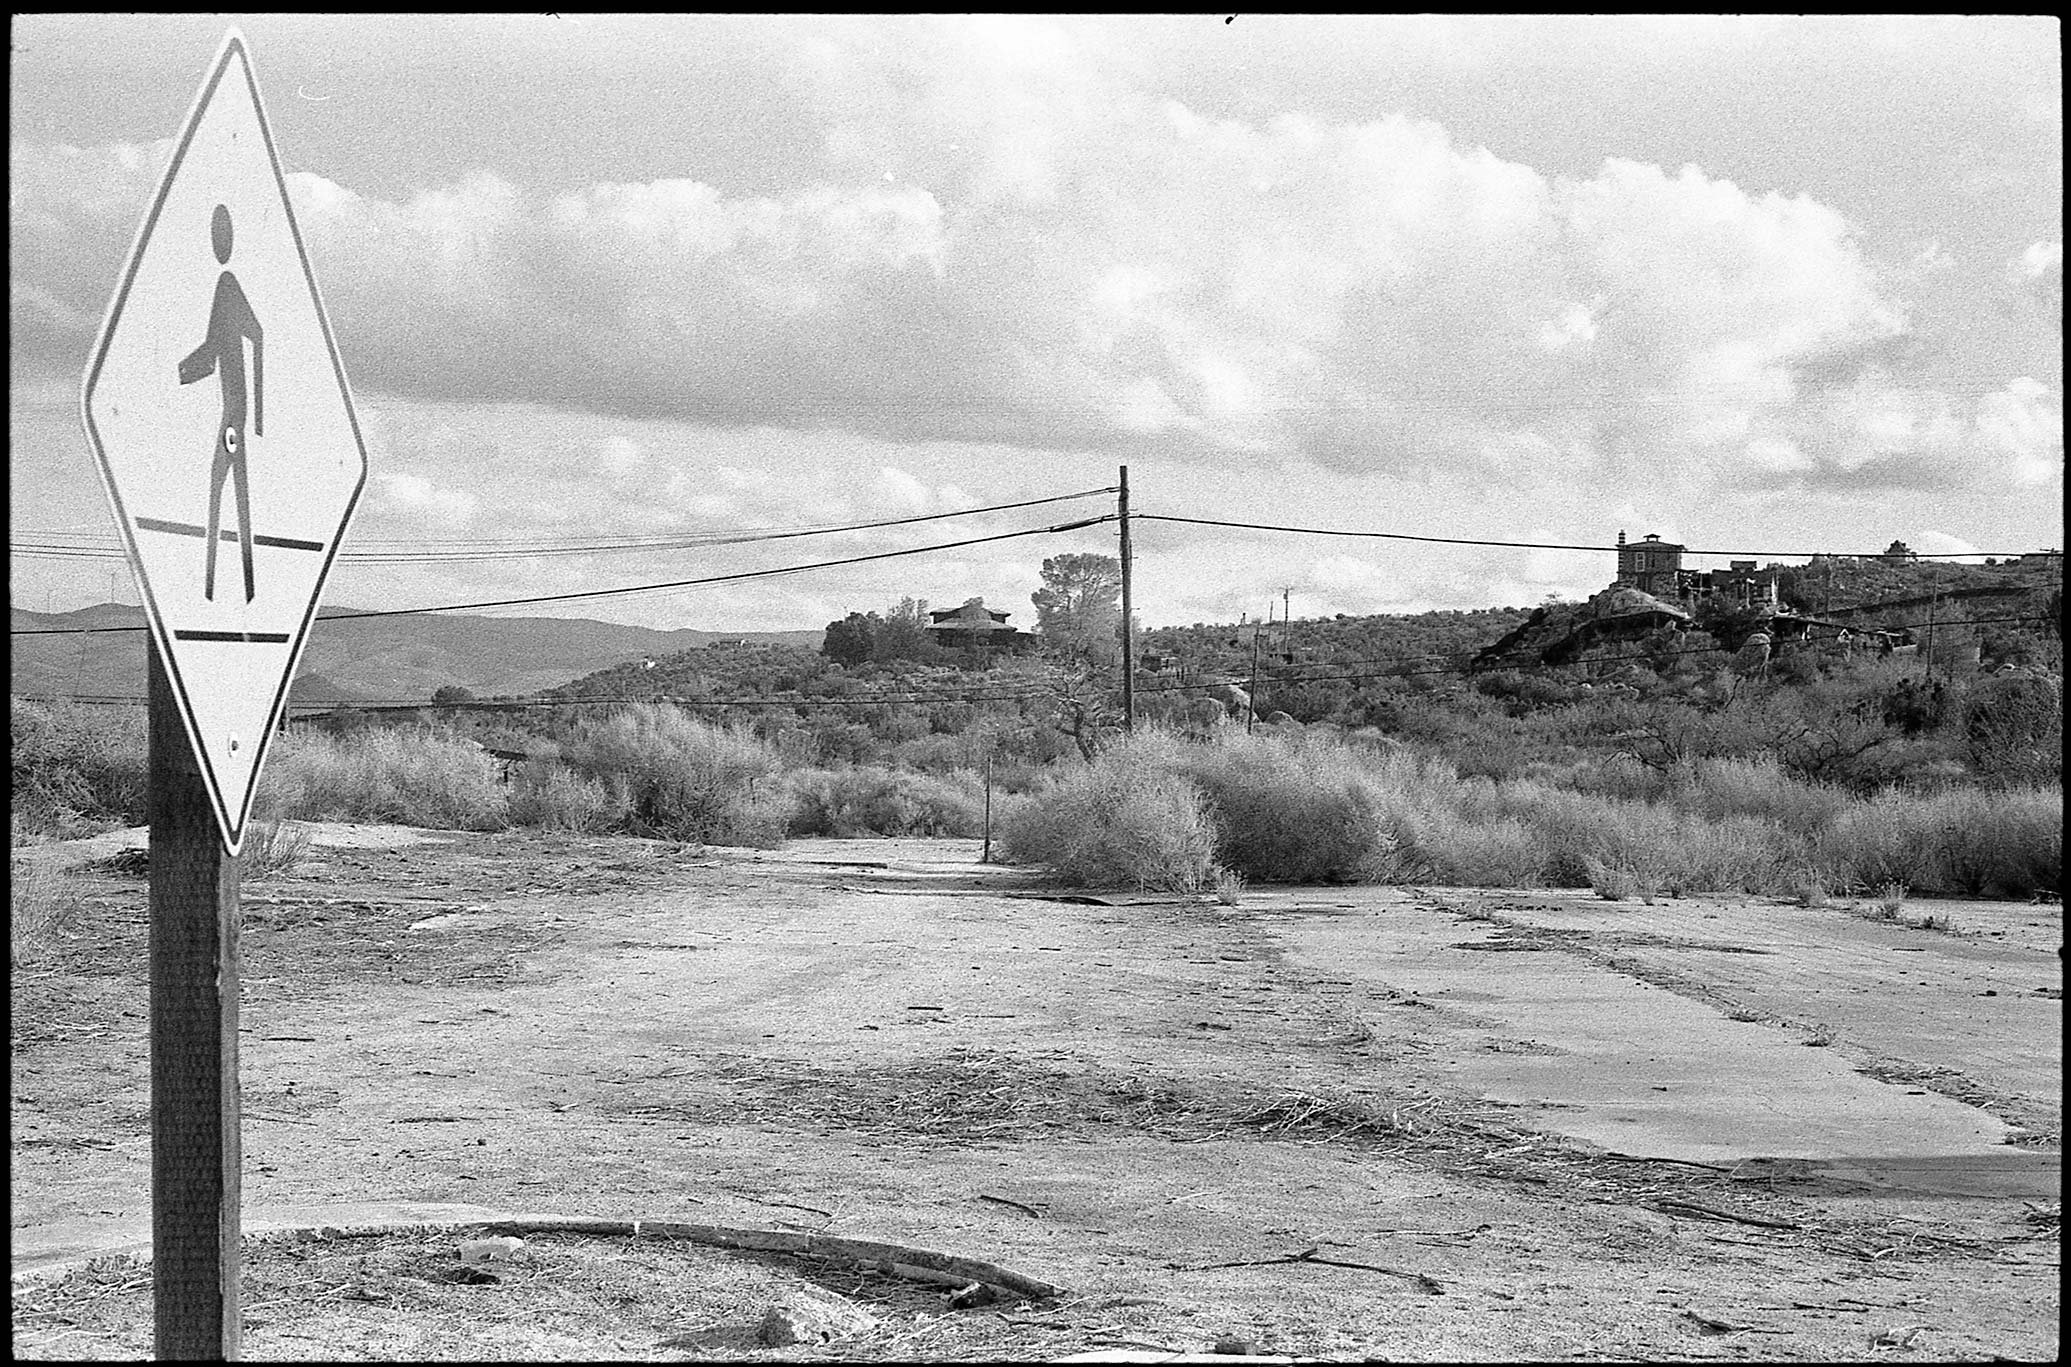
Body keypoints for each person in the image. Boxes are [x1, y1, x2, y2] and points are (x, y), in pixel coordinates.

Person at [178, 203, 264, 602]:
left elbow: (256, 335)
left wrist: (258, 416)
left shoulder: (227, 284)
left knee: (224, 498)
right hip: (235, 410)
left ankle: (232, 591)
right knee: (220, 497)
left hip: (235, 411)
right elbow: (219, 348)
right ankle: (222, 591)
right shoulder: (223, 286)